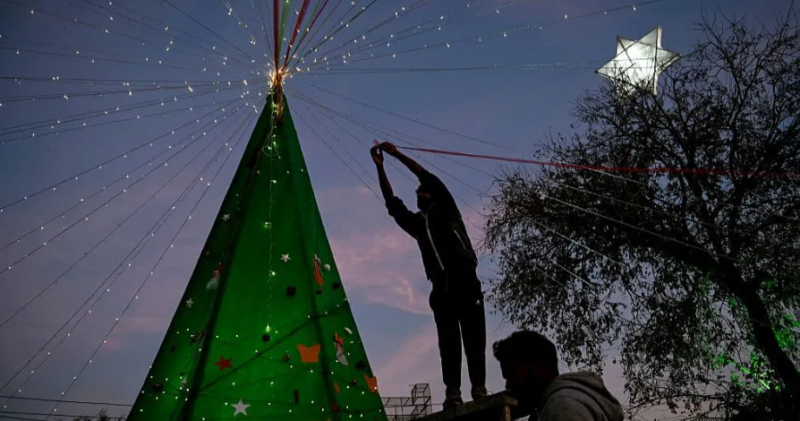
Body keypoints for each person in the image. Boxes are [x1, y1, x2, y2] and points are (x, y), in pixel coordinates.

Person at [370, 141, 487, 409]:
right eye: (417, 194)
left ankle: (479, 387)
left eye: (422, 192)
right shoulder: (418, 225)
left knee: (474, 336)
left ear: (432, 195)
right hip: (441, 287)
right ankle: (453, 392)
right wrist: (380, 168)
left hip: (465, 280)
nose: (419, 194)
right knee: (448, 343)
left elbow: (424, 175)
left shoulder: (447, 208)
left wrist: (397, 155)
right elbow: (392, 203)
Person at [493, 330, 624, 421]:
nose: (508, 385)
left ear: (535, 367)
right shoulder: (565, 403)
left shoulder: (562, 407)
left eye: (511, 375)